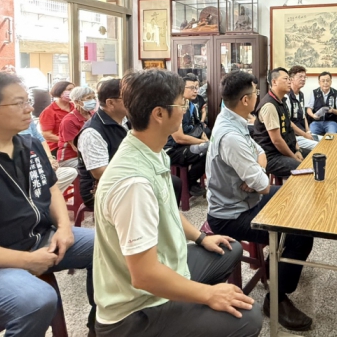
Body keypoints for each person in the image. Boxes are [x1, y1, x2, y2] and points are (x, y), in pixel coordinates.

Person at [92, 69, 262, 337]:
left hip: (164, 268)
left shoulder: (151, 150)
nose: (185, 110)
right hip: (136, 309)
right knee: (249, 318)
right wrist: (208, 295)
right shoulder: (133, 183)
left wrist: (200, 237)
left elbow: (169, 209)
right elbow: (144, 276)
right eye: (181, 104)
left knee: (228, 249)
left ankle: (189, 310)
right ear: (159, 114)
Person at [0, 72, 95, 337]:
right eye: (18, 103)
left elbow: (51, 188)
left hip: (37, 240)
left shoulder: (28, 145)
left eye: (27, 100)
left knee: (110, 247)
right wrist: (26, 260)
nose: (29, 108)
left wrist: (64, 228)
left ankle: (102, 327)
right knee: (36, 300)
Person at [207, 71, 314, 332]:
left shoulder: (234, 118)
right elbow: (263, 185)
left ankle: (279, 266)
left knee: (299, 200)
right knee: (300, 232)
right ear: (245, 100)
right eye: (255, 93)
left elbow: (261, 152)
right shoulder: (230, 135)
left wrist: (257, 171)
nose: (258, 96)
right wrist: (257, 176)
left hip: (248, 200)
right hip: (231, 215)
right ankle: (276, 299)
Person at [76, 78, 183, 210]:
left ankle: (165, 219)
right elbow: (100, 173)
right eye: (128, 98)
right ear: (110, 103)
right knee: (155, 189)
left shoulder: (127, 119)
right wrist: (142, 172)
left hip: (131, 174)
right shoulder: (92, 132)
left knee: (172, 182)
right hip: (101, 187)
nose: (134, 102)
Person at [252, 68, 310, 178]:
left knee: (316, 156)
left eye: (289, 79)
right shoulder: (269, 105)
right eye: (286, 79)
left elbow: (289, 128)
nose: (289, 81)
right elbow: (277, 141)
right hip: (271, 156)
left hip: (287, 149)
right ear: (274, 82)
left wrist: (297, 150)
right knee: (303, 169)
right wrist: (294, 157)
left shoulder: (282, 101)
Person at [165, 74, 210, 198]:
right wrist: (203, 143)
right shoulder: (174, 108)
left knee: (211, 149)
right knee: (207, 149)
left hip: (185, 145)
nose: (195, 91)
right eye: (191, 88)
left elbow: (198, 126)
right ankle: (188, 183)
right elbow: (179, 138)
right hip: (172, 149)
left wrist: (205, 139)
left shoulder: (191, 106)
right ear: (181, 89)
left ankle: (191, 181)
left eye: (196, 87)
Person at [20, 118, 77, 194]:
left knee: (70, 173)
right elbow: (47, 135)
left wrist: (50, 159)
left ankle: (45, 195)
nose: (29, 111)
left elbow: (41, 140)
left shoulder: (28, 120)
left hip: (41, 164)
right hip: (29, 169)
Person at [57, 87, 96, 168]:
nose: (93, 101)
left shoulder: (94, 115)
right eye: (89, 98)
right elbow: (76, 147)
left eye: (94, 98)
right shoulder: (69, 121)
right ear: (77, 101)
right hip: (71, 158)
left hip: (90, 154)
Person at [39, 80, 75, 157]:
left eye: (73, 89)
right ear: (59, 91)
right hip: (57, 148)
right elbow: (47, 135)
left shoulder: (75, 107)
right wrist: (68, 141)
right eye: (69, 89)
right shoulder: (49, 111)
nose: (72, 91)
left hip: (75, 146)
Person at [286, 65, 318, 151]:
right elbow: (288, 122)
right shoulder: (286, 96)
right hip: (294, 136)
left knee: (326, 140)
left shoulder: (301, 95)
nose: (303, 79)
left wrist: (308, 132)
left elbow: (303, 116)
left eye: (305, 77)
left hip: (303, 133)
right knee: (320, 146)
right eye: (300, 76)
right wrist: (305, 135)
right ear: (291, 79)